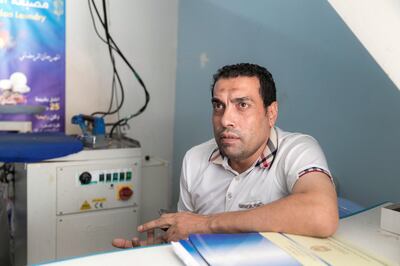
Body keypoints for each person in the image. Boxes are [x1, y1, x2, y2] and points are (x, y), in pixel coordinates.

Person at [113, 63, 338, 248]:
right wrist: (160, 251)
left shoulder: (297, 150)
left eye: (242, 105)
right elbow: (187, 232)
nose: (225, 120)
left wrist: (208, 223)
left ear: (271, 113)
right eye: (218, 106)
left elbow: (321, 214)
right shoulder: (194, 159)